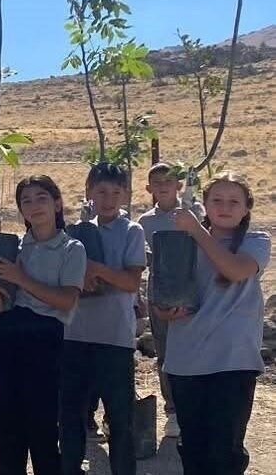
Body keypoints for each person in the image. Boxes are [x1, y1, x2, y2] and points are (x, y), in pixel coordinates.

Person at [158, 172, 271, 475]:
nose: (225, 206)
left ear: (247, 208)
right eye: (217, 199)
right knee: (193, 449)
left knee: (225, 451)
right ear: (204, 203)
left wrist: (196, 229)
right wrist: (166, 309)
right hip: (186, 360)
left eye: (234, 201)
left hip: (232, 361)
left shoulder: (256, 241)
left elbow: (234, 270)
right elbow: (161, 295)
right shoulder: (182, 242)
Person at [0, 176, 86, 475]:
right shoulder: (11, 245)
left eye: (41, 197)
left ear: (58, 203)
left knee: (42, 426)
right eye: (26, 200)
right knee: (5, 425)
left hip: (43, 339)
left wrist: (20, 278)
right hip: (2, 335)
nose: (34, 205)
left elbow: (66, 300)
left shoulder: (72, 249)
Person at [58, 162, 145, 475]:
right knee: (70, 421)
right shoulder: (74, 232)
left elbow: (132, 282)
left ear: (126, 195)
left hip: (115, 340)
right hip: (74, 336)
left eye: (115, 193)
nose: (108, 199)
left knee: (121, 422)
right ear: (88, 192)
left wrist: (94, 268)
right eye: (101, 191)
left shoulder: (132, 231)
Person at [136, 162, 204, 439]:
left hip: (192, 288)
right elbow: (146, 259)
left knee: (196, 346)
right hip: (160, 291)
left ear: (179, 185)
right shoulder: (145, 222)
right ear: (149, 189)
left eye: (169, 181)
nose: (163, 186)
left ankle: (197, 405)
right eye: (157, 182)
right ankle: (173, 410)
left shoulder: (196, 212)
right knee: (165, 350)